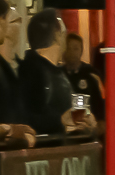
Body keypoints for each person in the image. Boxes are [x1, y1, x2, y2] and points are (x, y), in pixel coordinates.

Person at [19, 9, 91, 138]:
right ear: (57, 35)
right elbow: (26, 117)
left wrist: (83, 121)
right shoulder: (33, 71)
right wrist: (60, 121)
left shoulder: (53, 70)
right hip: (47, 147)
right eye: (63, 32)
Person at [64, 32, 105, 109]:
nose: (71, 52)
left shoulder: (91, 74)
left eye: (75, 49)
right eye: (68, 48)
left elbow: (99, 104)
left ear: (81, 50)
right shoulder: (58, 73)